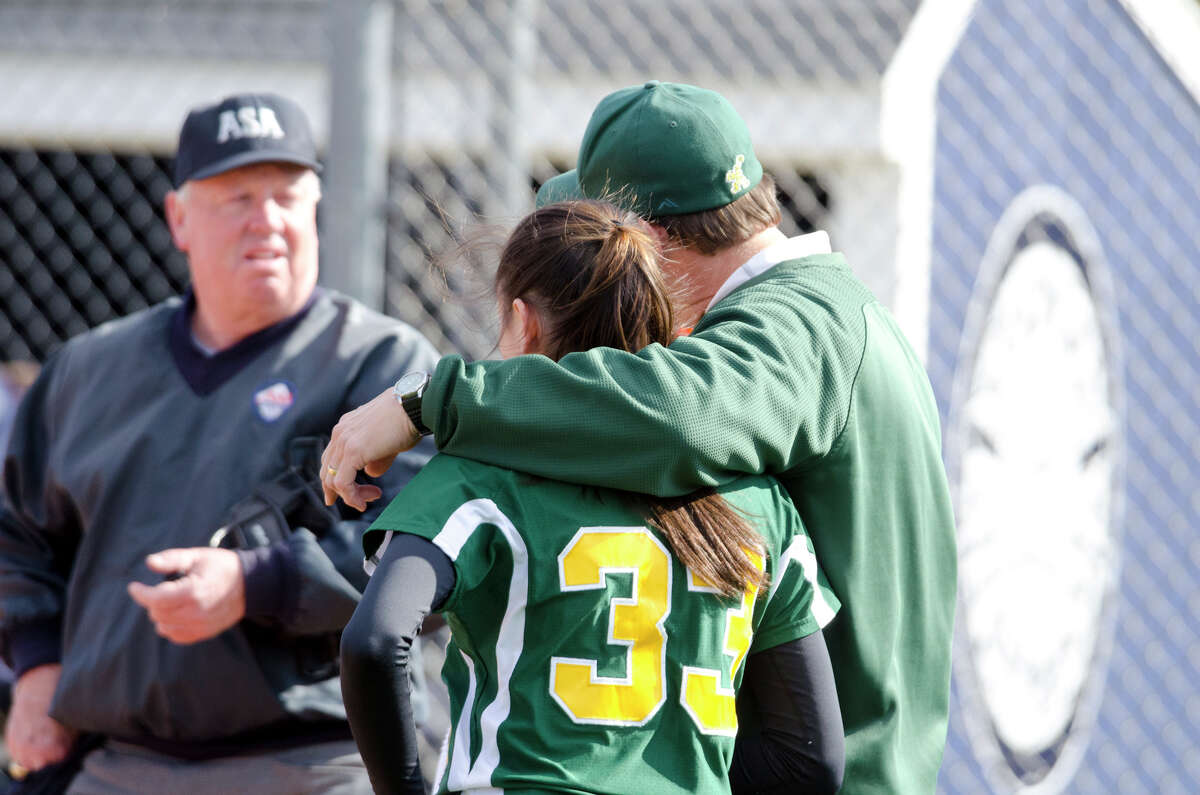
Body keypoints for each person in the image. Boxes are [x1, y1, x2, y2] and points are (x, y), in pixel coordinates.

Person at [322, 80, 958, 794]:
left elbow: (671, 419)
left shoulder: (793, 323)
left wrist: (431, 400)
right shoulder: (833, 310)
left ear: (648, 244)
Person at [0, 92, 439, 793]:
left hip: (321, 757)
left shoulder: (382, 365)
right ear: (179, 218)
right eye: (237, 197)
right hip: (119, 759)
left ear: (315, 208)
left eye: (286, 196)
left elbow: (421, 553)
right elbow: (18, 537)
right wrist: (36, 665)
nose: (266, 219)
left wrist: (255, 582)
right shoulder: (88, 371)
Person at [339, 199, 845, 794]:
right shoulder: (758, 502)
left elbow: (375, 643)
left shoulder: (477, 477)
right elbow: (810, 760)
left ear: (523, 321)